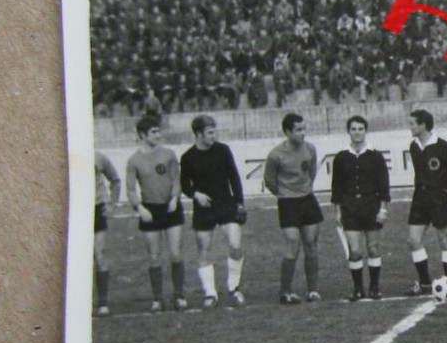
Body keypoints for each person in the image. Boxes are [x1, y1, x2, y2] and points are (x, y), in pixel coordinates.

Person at [180, 114, 247, 308]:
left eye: (215, 132)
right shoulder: (188, 157)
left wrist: (239, 203)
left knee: (235, 245)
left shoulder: (223, 151)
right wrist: (196, 195)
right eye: (210, 133)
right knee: (204, 250)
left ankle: (233, 288)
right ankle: (210, 294)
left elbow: (234, 178)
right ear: (198, 134)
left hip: (226, 204)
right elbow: (185, 185)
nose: (213, 136)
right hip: (204, 208)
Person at [126, 114, 187, 312]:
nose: (158, 135)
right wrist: (139, 207)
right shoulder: (134, 160)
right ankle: (158, 299)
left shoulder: (169, 154)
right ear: (143, 135)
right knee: (154, 256)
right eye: (154, 132)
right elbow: (131, 188)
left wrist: (175, 198)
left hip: (171, 207)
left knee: (175, 253)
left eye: (159, 131)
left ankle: (179, 295)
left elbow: (177, 179)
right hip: (149, 210)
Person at [263, 112, 323, 303]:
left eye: (304, 129)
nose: (302, 133)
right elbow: (270, 181)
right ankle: (285, 292)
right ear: (287, 132)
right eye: (298, 130)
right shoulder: (275, 155)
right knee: (292, 244)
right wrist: (286, 194)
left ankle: (313, 291)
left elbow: (311, 173)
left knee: (311, 244)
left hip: (308, 200)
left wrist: (304, 189)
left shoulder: (310, 149)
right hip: (288, 203)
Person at [331, 115, 390, 301]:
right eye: (353, 129)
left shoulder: (375, 156)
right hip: (349, 206)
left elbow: (383, 185)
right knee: (354, 250)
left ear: (366, 131)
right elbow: (336, 187)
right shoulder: (341, 157)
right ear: (348, 132)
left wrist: (383, 208)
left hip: (371, 205)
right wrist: (338, 211)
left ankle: (374, 287)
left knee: (373, 248)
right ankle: (358, 288)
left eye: (360, 129)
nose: (357, 132)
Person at [405, 108, 447, 296]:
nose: (409, 127)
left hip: (439, 199)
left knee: (444, 239)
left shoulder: (444, 147)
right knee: (413, 240)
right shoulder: (414, 146)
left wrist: (445, 197)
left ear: (423, 125)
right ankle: (425, 283)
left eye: (412, 124)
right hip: (420, 198)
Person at [93, 151, 122, 316]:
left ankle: (103, 303)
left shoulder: (98, 157)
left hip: (97, 209)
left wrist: (112, 205)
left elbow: (115, 180)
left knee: (100, 254)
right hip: (75, 211)